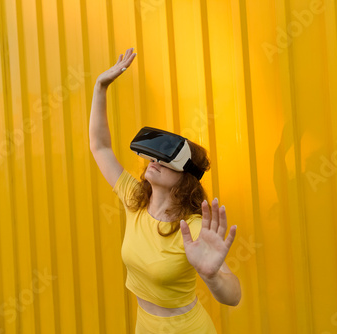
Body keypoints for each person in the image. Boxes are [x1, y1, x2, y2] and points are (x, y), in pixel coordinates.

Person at [89, 47, 241, 333]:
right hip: (144, 326)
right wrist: (100, 87)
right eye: (154, 155)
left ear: (186, 178)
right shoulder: (134, 201)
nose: (155, 160)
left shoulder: (192, 228)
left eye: (168, 160)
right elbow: (100, 146)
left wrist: (212, 277)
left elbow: (234, 296)